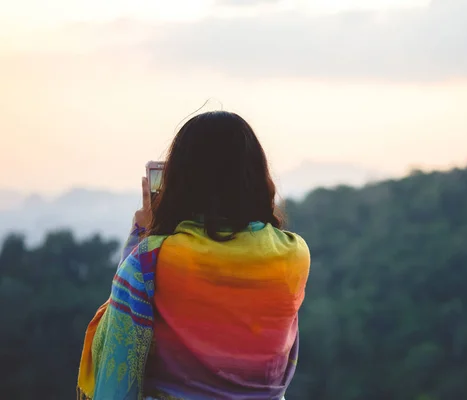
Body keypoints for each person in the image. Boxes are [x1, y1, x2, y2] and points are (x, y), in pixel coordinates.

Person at [77, 111, 311, 400]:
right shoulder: (293, 254)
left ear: (180, 180)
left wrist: (141, 234)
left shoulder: (152, 259)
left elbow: (120, 341)